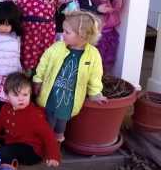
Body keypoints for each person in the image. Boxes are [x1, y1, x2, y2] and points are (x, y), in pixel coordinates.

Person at [33, 11, 107, 142]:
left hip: (70, 98)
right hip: (51, 94)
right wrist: (38, 80)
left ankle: (57, 142)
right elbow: (44, 62)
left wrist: (95, 93)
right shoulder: (57, 47)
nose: (63, 34)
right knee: (48, 120)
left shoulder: (93, 55)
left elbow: (95, 76)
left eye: (67, 32)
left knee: (62, 122)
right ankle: (45, 144)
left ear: (82, 36)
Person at [0, 72, 61, 170]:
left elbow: (48, 136)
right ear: (7, 96)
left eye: (25, 95)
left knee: (7, 150)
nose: (21, 99)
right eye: (16, 95)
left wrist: (53, 156)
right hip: (13, 144)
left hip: (31, 151)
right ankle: (1, 168)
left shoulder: (34, 115)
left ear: (30, 94)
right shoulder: (5, 109)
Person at [1, 0, 77, 75]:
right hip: (29, 36)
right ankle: (26, 87)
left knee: (44, 64)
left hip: (47, 36)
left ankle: (41, 86)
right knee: (27, 65)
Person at [87, 0, 128, 73]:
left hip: (109, 33)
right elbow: (108, 10)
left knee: (105, 62)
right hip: (97, 33)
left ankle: (102, 84)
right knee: (94, 61)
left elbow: (116, 9)